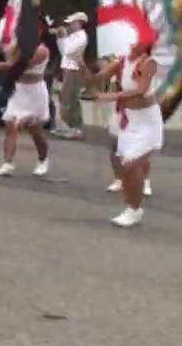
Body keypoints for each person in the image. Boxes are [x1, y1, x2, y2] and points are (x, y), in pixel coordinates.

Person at [84, 41, 163, 227]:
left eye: (137, 39)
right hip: (129, 120)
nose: (132, 42)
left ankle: (134, 209)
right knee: (126, 168)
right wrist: (79, 62)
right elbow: (96, 79)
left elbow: (141, 91)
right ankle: (132, 207)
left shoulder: (148, 62)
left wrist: (108, 97)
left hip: (147, 121)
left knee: (130, 166)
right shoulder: (121, 61)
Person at [0, 30, 52, 177]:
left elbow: (18, 66)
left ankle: (43, 159)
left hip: (36, 93)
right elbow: (3, 51)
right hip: (19, 90)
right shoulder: (17, 47)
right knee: (11, 126)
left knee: (35, 132)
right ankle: (7, 164)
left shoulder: (42, 50)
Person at [54, 12, 88, 139]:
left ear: (79, 23)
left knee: (70, 97)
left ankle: (75, 127)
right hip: (67, 67)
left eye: (72, 23)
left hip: (74, 69)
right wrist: (60, 38)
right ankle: (68, 125)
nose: (70, 25)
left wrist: (63, 36)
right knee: (67, 97)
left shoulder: (82, 36)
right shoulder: (72, 36)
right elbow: (63, 50)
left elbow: (69, 51)